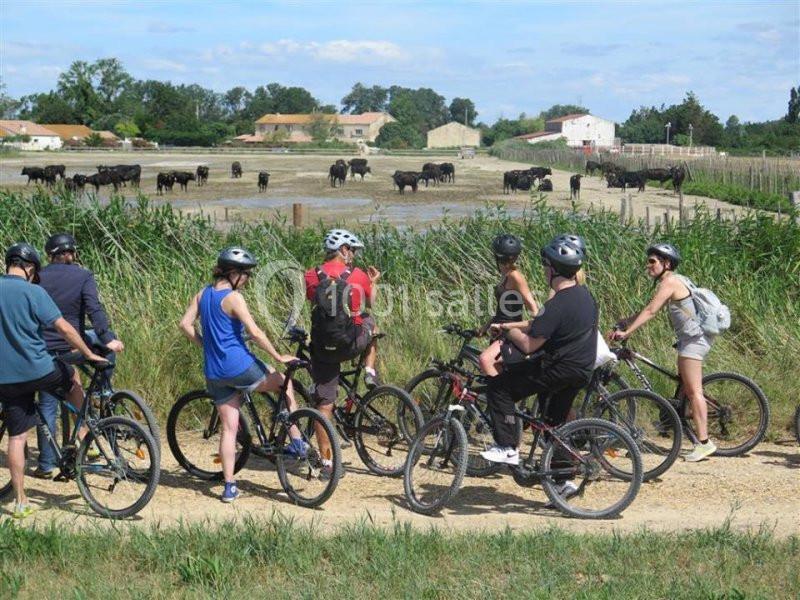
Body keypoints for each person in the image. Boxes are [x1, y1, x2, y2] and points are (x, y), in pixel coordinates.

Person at [179, 247, 300, 502]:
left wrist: (205, 345)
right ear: (233, 273)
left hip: (214, 372)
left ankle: (229, 487)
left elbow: (185, 325)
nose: (247, 280)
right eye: (246, 275)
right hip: (240, 366)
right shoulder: (233, 298)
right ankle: (298, 440)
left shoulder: (203, 295)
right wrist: (278, 356)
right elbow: (255, 332)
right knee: (284, 383)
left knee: (229, 428)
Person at [480, 239, 597, 501]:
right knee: (553, 424)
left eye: (545, 266)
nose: (543, 271)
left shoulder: (557, 303)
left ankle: (508, 446)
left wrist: (509, 331)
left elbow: (531, 345)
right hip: (581, 369)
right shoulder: (586, 295)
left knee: (500, 388)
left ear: (553, 269)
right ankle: (564, 482)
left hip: (559, 367)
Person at [0, 243, 106, 519]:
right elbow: (64, 328)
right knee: (70, 378)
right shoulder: (34, 292)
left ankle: (21, 501)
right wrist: (88, 353)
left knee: (17, 436)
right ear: (30, 267)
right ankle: (87, 433)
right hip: (39, 369)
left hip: (6, 378)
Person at [610, 243, 717, 462]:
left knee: (694, 391)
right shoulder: (672, 281)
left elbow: (651, 312)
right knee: (685, 388)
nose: (648, 265)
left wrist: (627, 332)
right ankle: (678, 421)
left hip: (693, 340)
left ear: (666, 264)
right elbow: (650, 308)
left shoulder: (670, 282)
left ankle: (704, 443)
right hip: (690, 339)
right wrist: (627, 321)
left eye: (652, 261)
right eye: (648, 261)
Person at [35, 233, 125, 479]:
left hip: (44, 348)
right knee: (85, 370)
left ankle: (45, 464)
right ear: (72, 253)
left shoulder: (37, 277)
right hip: (72, 347)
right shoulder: (83, 275)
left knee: (47, 402)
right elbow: (95, 310)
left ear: (50, 255)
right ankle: (102, 390)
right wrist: (108, 338)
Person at [304, 229, 381, 472]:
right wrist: (373, 282)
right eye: (353, 250)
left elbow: (314, 302)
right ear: (344, 249)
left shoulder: (311, 275)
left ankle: (327, 464)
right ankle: (369, 370)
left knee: (323, 405)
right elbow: (371, 303)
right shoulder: (358, 275)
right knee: (372, 324)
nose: (354, 255)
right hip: (351, 344)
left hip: (324, 349)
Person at [477, 234, 539, 376]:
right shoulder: (506, 275)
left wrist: (519, 328)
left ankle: (501, 398)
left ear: (497, 256)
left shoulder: (515, 277)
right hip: (498, 330)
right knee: (496, 371)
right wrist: (485, 326)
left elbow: (534, 310)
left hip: (510, 334)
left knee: (484, 360)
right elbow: (504, 310)